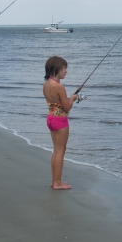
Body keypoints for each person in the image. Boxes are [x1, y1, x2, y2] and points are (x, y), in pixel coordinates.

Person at [43, 56, 78, 190]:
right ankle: (58, 183)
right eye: (64, 68)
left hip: (51, 119)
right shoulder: (59, 87)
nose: (66, 71)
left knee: (56, 151)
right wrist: (73, 98)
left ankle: (54, 181)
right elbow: (67, 107)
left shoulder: (46, 84)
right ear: (57, 69)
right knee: (61, 151)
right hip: (60, 121)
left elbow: (55, 104)